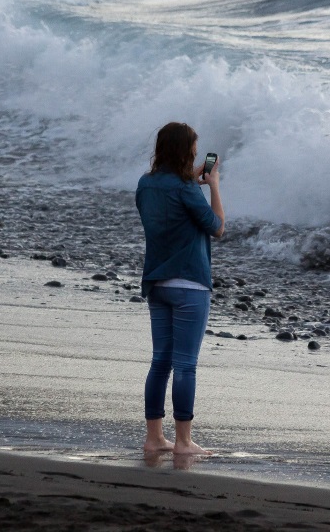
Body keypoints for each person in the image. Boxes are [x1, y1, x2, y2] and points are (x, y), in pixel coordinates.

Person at [135, 122, 225, 456]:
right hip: (189, 283)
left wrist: (190, 181)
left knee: (161, 362)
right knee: (185, 365)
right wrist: (211, 185)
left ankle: (154, 438)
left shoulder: (146, 184)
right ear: (185, 150)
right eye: (193, 149)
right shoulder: (187, 188)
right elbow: (216, 227)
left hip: (157, 282)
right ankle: (184, 442)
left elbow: (167, 219)